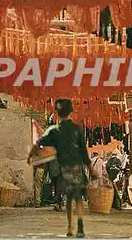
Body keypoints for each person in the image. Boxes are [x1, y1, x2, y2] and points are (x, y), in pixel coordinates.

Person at [28, 98, 96, 238]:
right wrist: (91, 169)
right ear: (71, 111)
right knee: (78, 198)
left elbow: (38, 143)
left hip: (64, 169)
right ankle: (80, 225)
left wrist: (30, 156)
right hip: (77, 167)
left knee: (69, 198)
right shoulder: (77, 128)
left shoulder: (54, 130)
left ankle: (70, 227)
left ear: (57, 113)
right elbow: (83, 151)